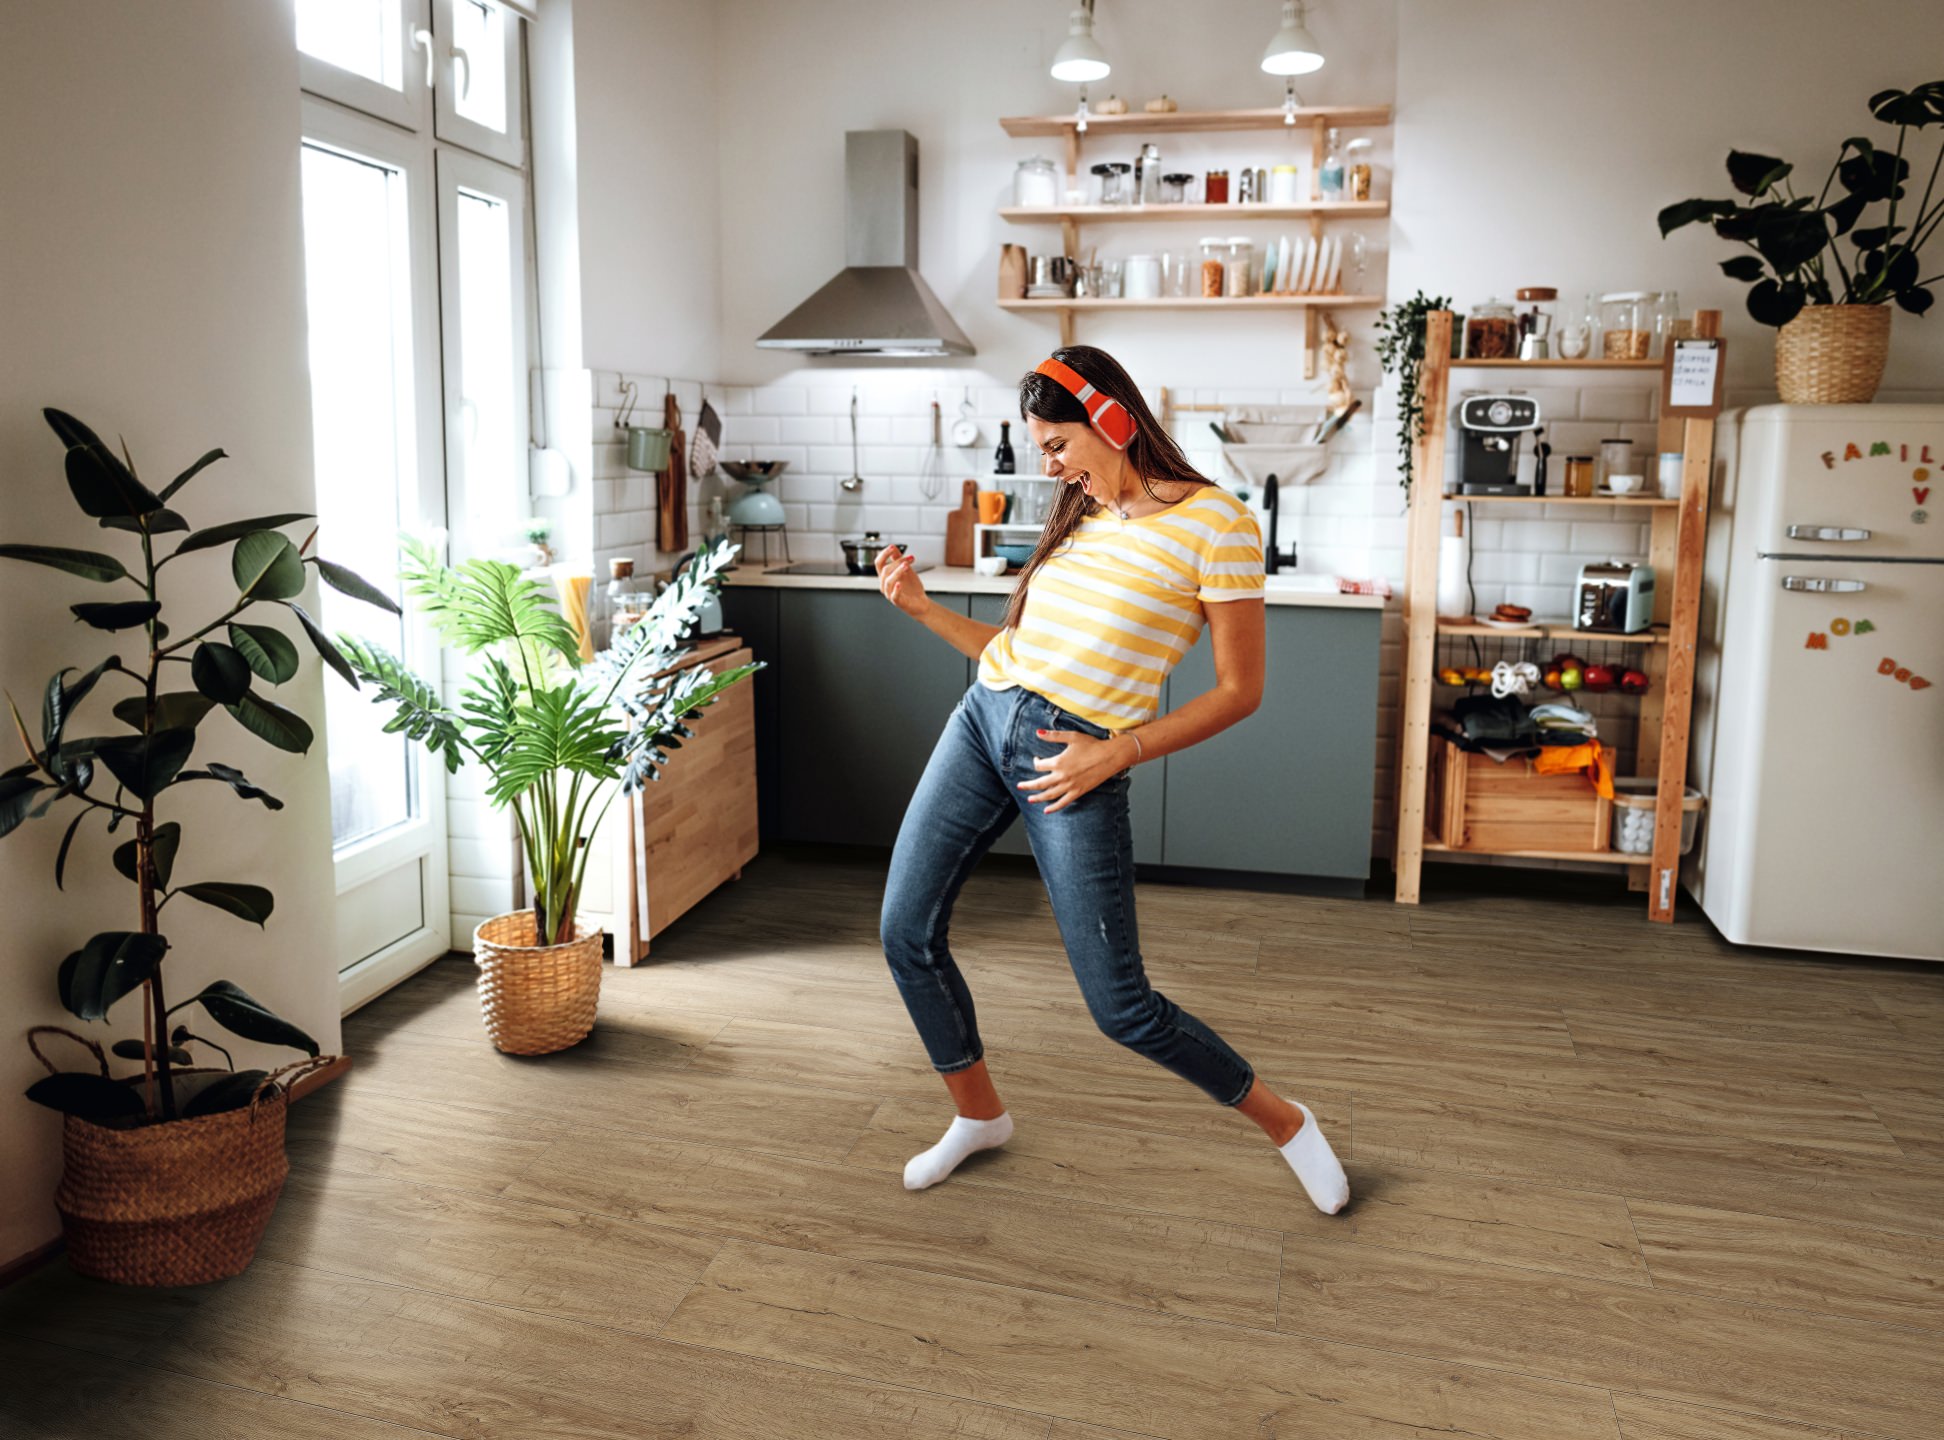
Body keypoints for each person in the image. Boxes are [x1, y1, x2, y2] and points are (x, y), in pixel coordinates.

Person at [873, 346, 1349, 1215]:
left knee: (1122, 1008)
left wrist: (1114, 751)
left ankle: (1289, 1124)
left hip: (1075, 758)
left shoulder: (1218, 525)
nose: (1047, 466)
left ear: (1115, 423)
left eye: (1056, 445)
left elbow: (1242, 693)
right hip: (981, 724)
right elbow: (1019, 657)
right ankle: (978, 1116)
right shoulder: (1077, 516)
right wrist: (922, 610)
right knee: (905, 931)